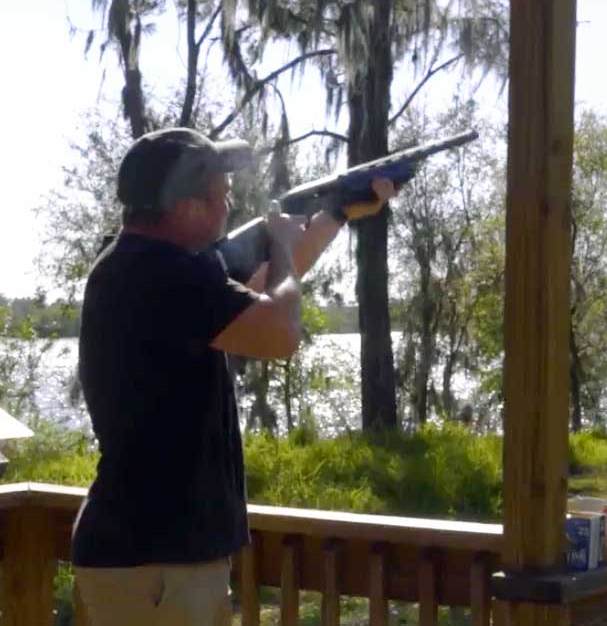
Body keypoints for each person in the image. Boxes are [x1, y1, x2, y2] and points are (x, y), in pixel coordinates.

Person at [71, 127, 395, 625]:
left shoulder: (147, 266)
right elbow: (279, 333)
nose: (228, 206)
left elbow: (262, 298)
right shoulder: (162, 273)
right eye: (221, 195)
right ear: (185, 207)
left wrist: (336, 214)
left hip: (154, 558)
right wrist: (283, 245)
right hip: (156, 562)